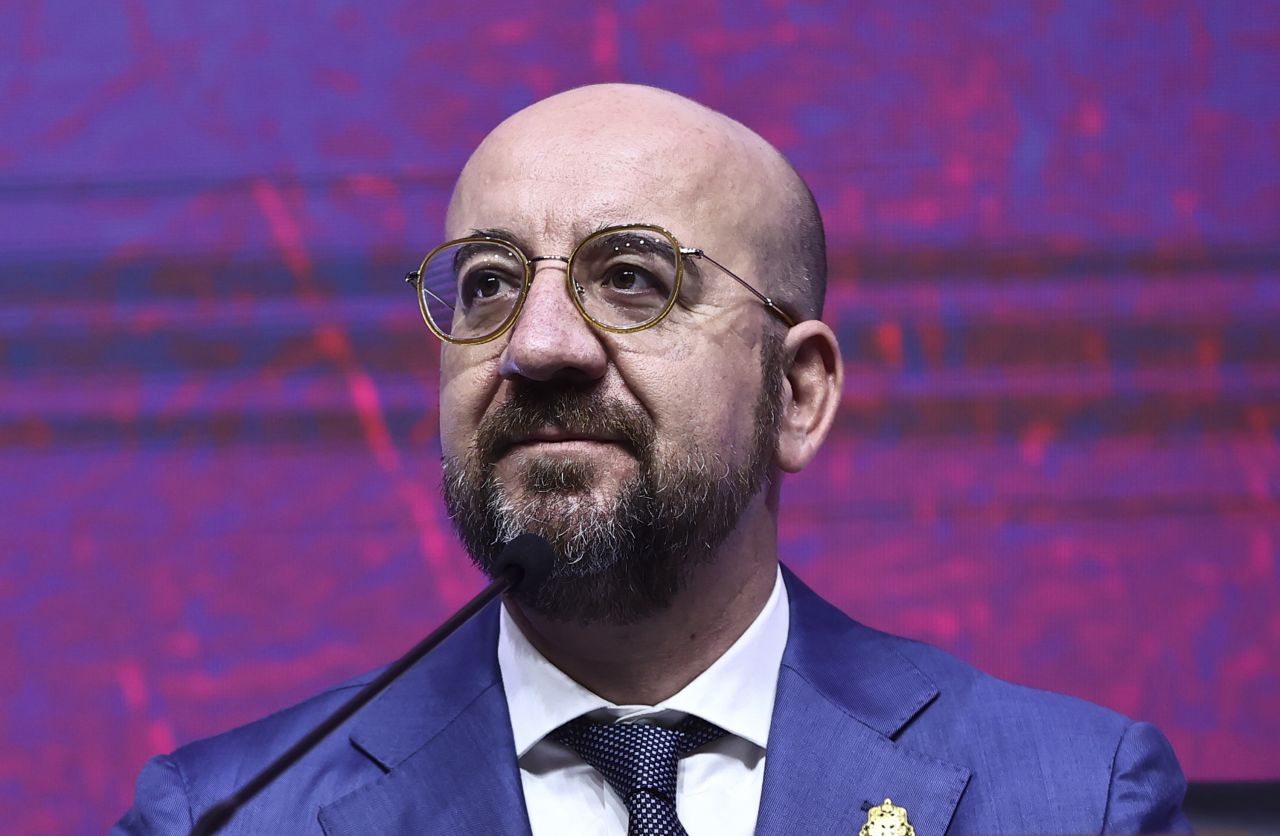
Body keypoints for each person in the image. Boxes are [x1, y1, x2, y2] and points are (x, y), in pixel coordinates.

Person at [115, 84, 1189, 835]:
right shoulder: (229, 814)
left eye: (631, 277)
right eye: (486, 284)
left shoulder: (1072, 798)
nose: (535, 345)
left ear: (797, 392)